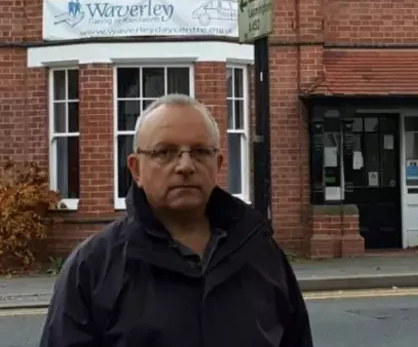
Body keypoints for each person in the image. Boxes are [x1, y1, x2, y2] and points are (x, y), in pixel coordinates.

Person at [39, 94, 313, 347]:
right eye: (164, 152)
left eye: (200, 152)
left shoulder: (261, 251)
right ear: (136, 169)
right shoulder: (93, 266)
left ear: (217, 164)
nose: (185, 166)